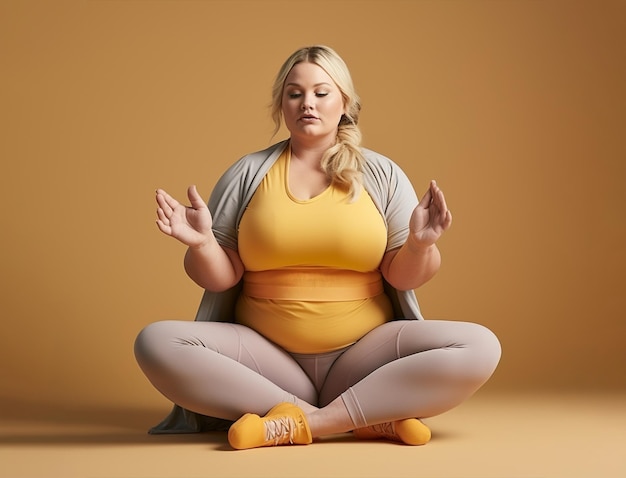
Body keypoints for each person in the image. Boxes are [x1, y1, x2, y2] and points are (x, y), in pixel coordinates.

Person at [134, 45, 501, 450]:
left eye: (321, 92)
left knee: (481, 345)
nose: (307, 103)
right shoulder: (248, 172)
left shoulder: (381, 173)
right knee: (155, 341)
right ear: (281, 104)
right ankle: (367, 416)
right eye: (295, 93)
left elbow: (403, 275)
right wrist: (202, 242)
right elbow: (222, 279)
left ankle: (301, 421)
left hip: (364, 360)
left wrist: (418, 244)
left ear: (345, 102)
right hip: (268, 365)